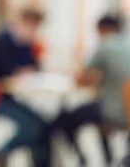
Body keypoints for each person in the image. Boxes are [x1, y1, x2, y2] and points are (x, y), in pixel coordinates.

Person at [51, 15, 130, 166]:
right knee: (95, 110)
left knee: (64, 119)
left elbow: (83, 79)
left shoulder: (105, 46)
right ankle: (108, 159)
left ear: (102, 29)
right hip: (128, 111)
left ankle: (81, 159)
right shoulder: (127, 43)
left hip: (114, 110)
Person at [0, 7, 50, 167]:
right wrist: (23, 71)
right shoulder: (3, 40)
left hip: (13, 96)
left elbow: (35, 68)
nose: (33, 30)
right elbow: (7, 74)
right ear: (22, 21)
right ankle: (0, 153)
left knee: (45, 124)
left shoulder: (26, 43)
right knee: (33, 127)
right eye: (32, 25)